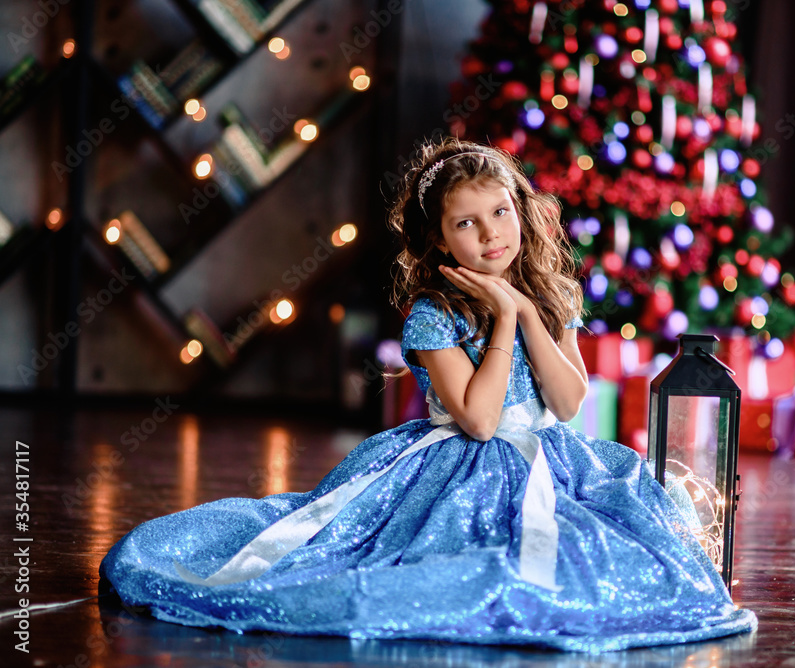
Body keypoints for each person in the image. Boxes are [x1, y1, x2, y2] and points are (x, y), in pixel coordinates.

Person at [100, 138, 757, 652]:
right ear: (440, 239)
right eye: (467, 224)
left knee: (612, 556)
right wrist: (500, 320)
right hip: (459, 463)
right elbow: (476, 418)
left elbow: (566, 403)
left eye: (500, 212)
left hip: (551, 457)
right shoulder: (432, 314)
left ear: (520, 211)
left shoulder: (548, 299)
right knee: (412, 561)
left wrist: (528, 314)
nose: (491, 233)